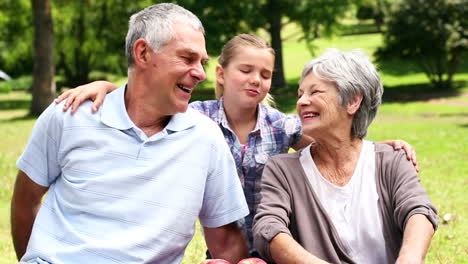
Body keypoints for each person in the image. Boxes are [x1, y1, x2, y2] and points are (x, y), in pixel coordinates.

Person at [55, 34, 419, 258]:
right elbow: (145, 100)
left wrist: (382, 149)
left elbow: (337, 139)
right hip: (223, 251)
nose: (256, 80)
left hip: (275, 250)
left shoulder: (283, 126)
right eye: (246, 70)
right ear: (220, 73)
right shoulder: (194, 119)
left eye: (265, 74)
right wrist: (106, 86)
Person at [11, 3, 250, 264]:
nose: (201, 74)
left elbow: (225, 241)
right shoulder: (69, 115)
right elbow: (25, 202)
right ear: (143, 53)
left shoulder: (205, 138)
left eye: (202, 62)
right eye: (188, 58)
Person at [252, 49, 438, 264]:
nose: (302, 101)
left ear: (353, 101)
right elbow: (268, 229)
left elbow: (418, 210)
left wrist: (409, 258)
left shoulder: (392, 160)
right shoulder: (282, 170)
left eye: (315, 92)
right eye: (300, 93)